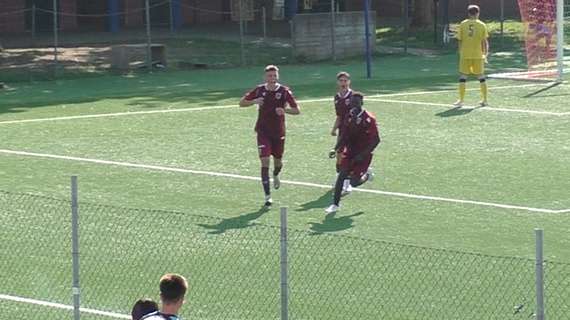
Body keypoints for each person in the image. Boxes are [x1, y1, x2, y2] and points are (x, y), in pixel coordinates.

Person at [239, 65, 301, 207]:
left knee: (278, 162)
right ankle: (267, 196)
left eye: (274, 76)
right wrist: (254, 101)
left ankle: (276, 174)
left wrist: (284, 110)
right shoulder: (259, 90)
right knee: (265, 161)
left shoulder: (284, 91)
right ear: (265, 77)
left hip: (278, 132)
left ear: (277, 76)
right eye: (269, 76)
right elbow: (241, 103)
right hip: (263, 132)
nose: (272, 78)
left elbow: (297, 110)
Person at [325, 93, 380, 214]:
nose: (354, 104)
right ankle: (335, 204)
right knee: (341, 176)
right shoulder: (348, 116)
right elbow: (344, 135)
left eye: (357, 102)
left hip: (363, 154)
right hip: (350, 151)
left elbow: (376, 140)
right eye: (352, 102)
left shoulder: (369, 118)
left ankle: (366, 175)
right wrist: (335, 148)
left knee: (354, 183)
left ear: (362, 103)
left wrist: (363, 154)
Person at [454, 5, 490, 107]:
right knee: (481, 77)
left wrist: (461, 52)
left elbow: (459, 40)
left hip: (465, 54)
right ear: (478, 13)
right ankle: (485, 100)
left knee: (463, 77)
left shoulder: (463, 24)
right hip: (478, 55)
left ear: (469, 13)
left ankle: (461, 101)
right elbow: (485, 42)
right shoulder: (482, 25)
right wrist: (485, 54)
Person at [331, 71, 354, 196]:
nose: (343, 83)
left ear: (349, 82)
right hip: (342, 131)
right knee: (339, 154)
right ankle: (338, 177)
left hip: (353, 131)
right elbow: (339, 115)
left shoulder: (353, 96)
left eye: (345, 80)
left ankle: (347, 183)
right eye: (341, 81)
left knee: (349, 156)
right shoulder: (337, 97)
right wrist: (334, 129)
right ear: (338, 82)